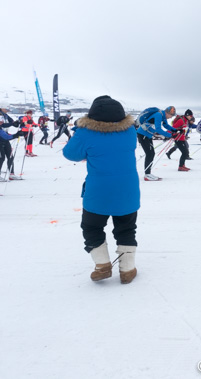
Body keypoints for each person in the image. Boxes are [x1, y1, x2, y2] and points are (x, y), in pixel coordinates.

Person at [63, 95, 140, 284]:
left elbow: (70, 154)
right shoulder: (130, 131)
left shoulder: (86, 133)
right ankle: (127, 270)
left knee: (92, 227)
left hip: (99, 192)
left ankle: (103, 265)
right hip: (128, 190)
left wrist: (79, 131)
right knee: (127, 228)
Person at [136, 106, 177, 180]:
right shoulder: (158, 115)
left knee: (152, 153)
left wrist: (175, 130)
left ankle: (148, 173)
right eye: (171, 115)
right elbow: (158, 129)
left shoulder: (163, 116)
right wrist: (170, 135)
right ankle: (147, 175)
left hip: (148, 135)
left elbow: (166, 125)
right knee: (149, 153)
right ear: (167, 113)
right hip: (142, 134)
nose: (171, 118)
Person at [0, 104, 25, 181]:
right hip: (2, 139)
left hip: (5, 137)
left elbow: (12, 122)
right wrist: (16, 135)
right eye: (6, 108)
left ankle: (11, 174)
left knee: (10, 156)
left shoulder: (5, 115)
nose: (7, 110)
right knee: (2, 158)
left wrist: (18, 123)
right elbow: (4, 125)